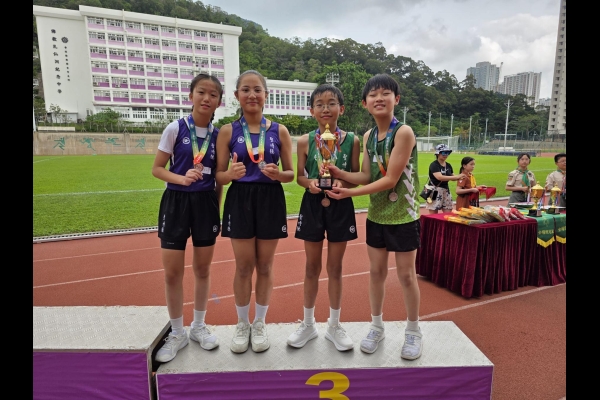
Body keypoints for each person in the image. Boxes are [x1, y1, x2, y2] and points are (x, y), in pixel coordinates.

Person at [326, 73, 423, 360]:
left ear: (396, 99)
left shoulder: (403, 132)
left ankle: (413, 331)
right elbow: (367, 175)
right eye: (373, 95)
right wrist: (340, 174)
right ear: (365, 103)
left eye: (385, 93)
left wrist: (350, 193)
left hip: (403, 215)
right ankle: (376, 326)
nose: (379, 98)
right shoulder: (368, 136)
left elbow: (390, 179)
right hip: (377, 215)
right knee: (376, 273)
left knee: (406, 275)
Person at [215, 70, 295, 354]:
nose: (252, 95)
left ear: (266, 95)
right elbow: (218, 176)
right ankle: (242, 324)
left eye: (257, 89)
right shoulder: (227, 131)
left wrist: (278, 174)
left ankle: (259, 323)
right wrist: (230, 174)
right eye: (246, 90)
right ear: (236, 95)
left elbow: (290, 173)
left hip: (270, 198)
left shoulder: (279, 131)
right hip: (240, 199)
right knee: (243, 266)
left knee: (265, 266)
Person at [152, 73, 223, 363]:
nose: (206, 98)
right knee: (172, 272)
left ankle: (198, 326)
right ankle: (177, 332)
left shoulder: (220, 136)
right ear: (191, 96)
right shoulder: (175, 128)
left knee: (203, 269)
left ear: (219, 102)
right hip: (176, 202)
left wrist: (216, 208)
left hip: (206, 203)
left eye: (213, 94)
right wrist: (181, 179)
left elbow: (219, 178)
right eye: (201, 92)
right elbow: (157, 168)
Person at [287, 84, 360, 352]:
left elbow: (356, 176)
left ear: (342, 108)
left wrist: (343, 182)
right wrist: (310, 184)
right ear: (311, 110)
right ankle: (308, 324)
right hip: (313, 203)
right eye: (319, 104)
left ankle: (334, 326)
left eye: (331, 103)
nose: (325, 108)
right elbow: (300, 177)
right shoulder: (304, 140)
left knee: (335, 268)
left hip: (340, 203)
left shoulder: (352, 140)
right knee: (311, 267)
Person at [426, 144, 465, 214]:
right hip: (435, 190)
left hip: (446, 190)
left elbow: (453, 177)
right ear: (438, 153)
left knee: (448, 211)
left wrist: (462, 177)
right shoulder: (434, 165)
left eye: (448, 153)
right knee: (433, 213)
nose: (446, 155)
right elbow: (440, 177)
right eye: (444, 152)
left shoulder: (448, 165)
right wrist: (457, 177)